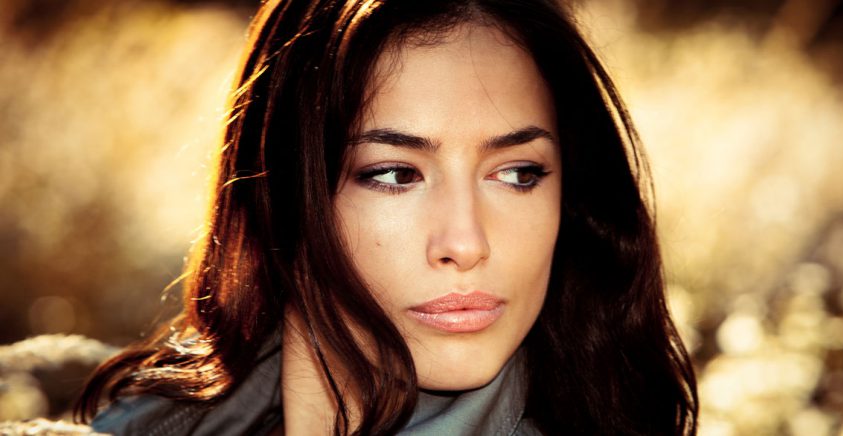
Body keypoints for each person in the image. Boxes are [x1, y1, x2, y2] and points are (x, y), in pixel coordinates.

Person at [76, 0, 698, 434]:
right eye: (397, 174)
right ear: (284, 193)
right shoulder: (155, 420)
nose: (466, 243)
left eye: (517, 173)